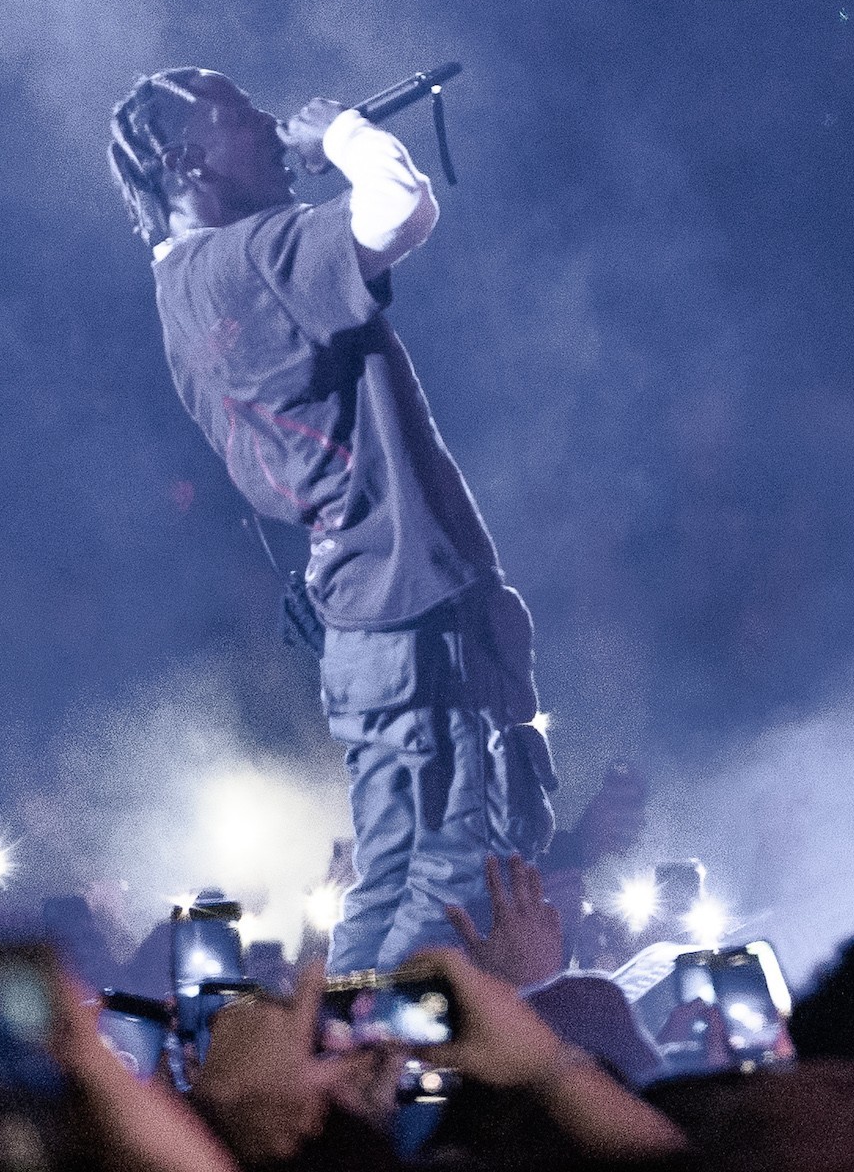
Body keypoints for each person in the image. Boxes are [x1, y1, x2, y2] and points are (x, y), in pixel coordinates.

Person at [110, 67, 551, 972]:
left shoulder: (185, 288)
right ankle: (367, 1071)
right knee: (454, 879)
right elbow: (400, 209)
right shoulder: (249, 262)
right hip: (405, 602)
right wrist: (344, 134)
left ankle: (339, 1060)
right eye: (240, 114)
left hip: (366, 613)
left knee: (395, 878)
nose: (270, 123)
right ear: (186, 159)